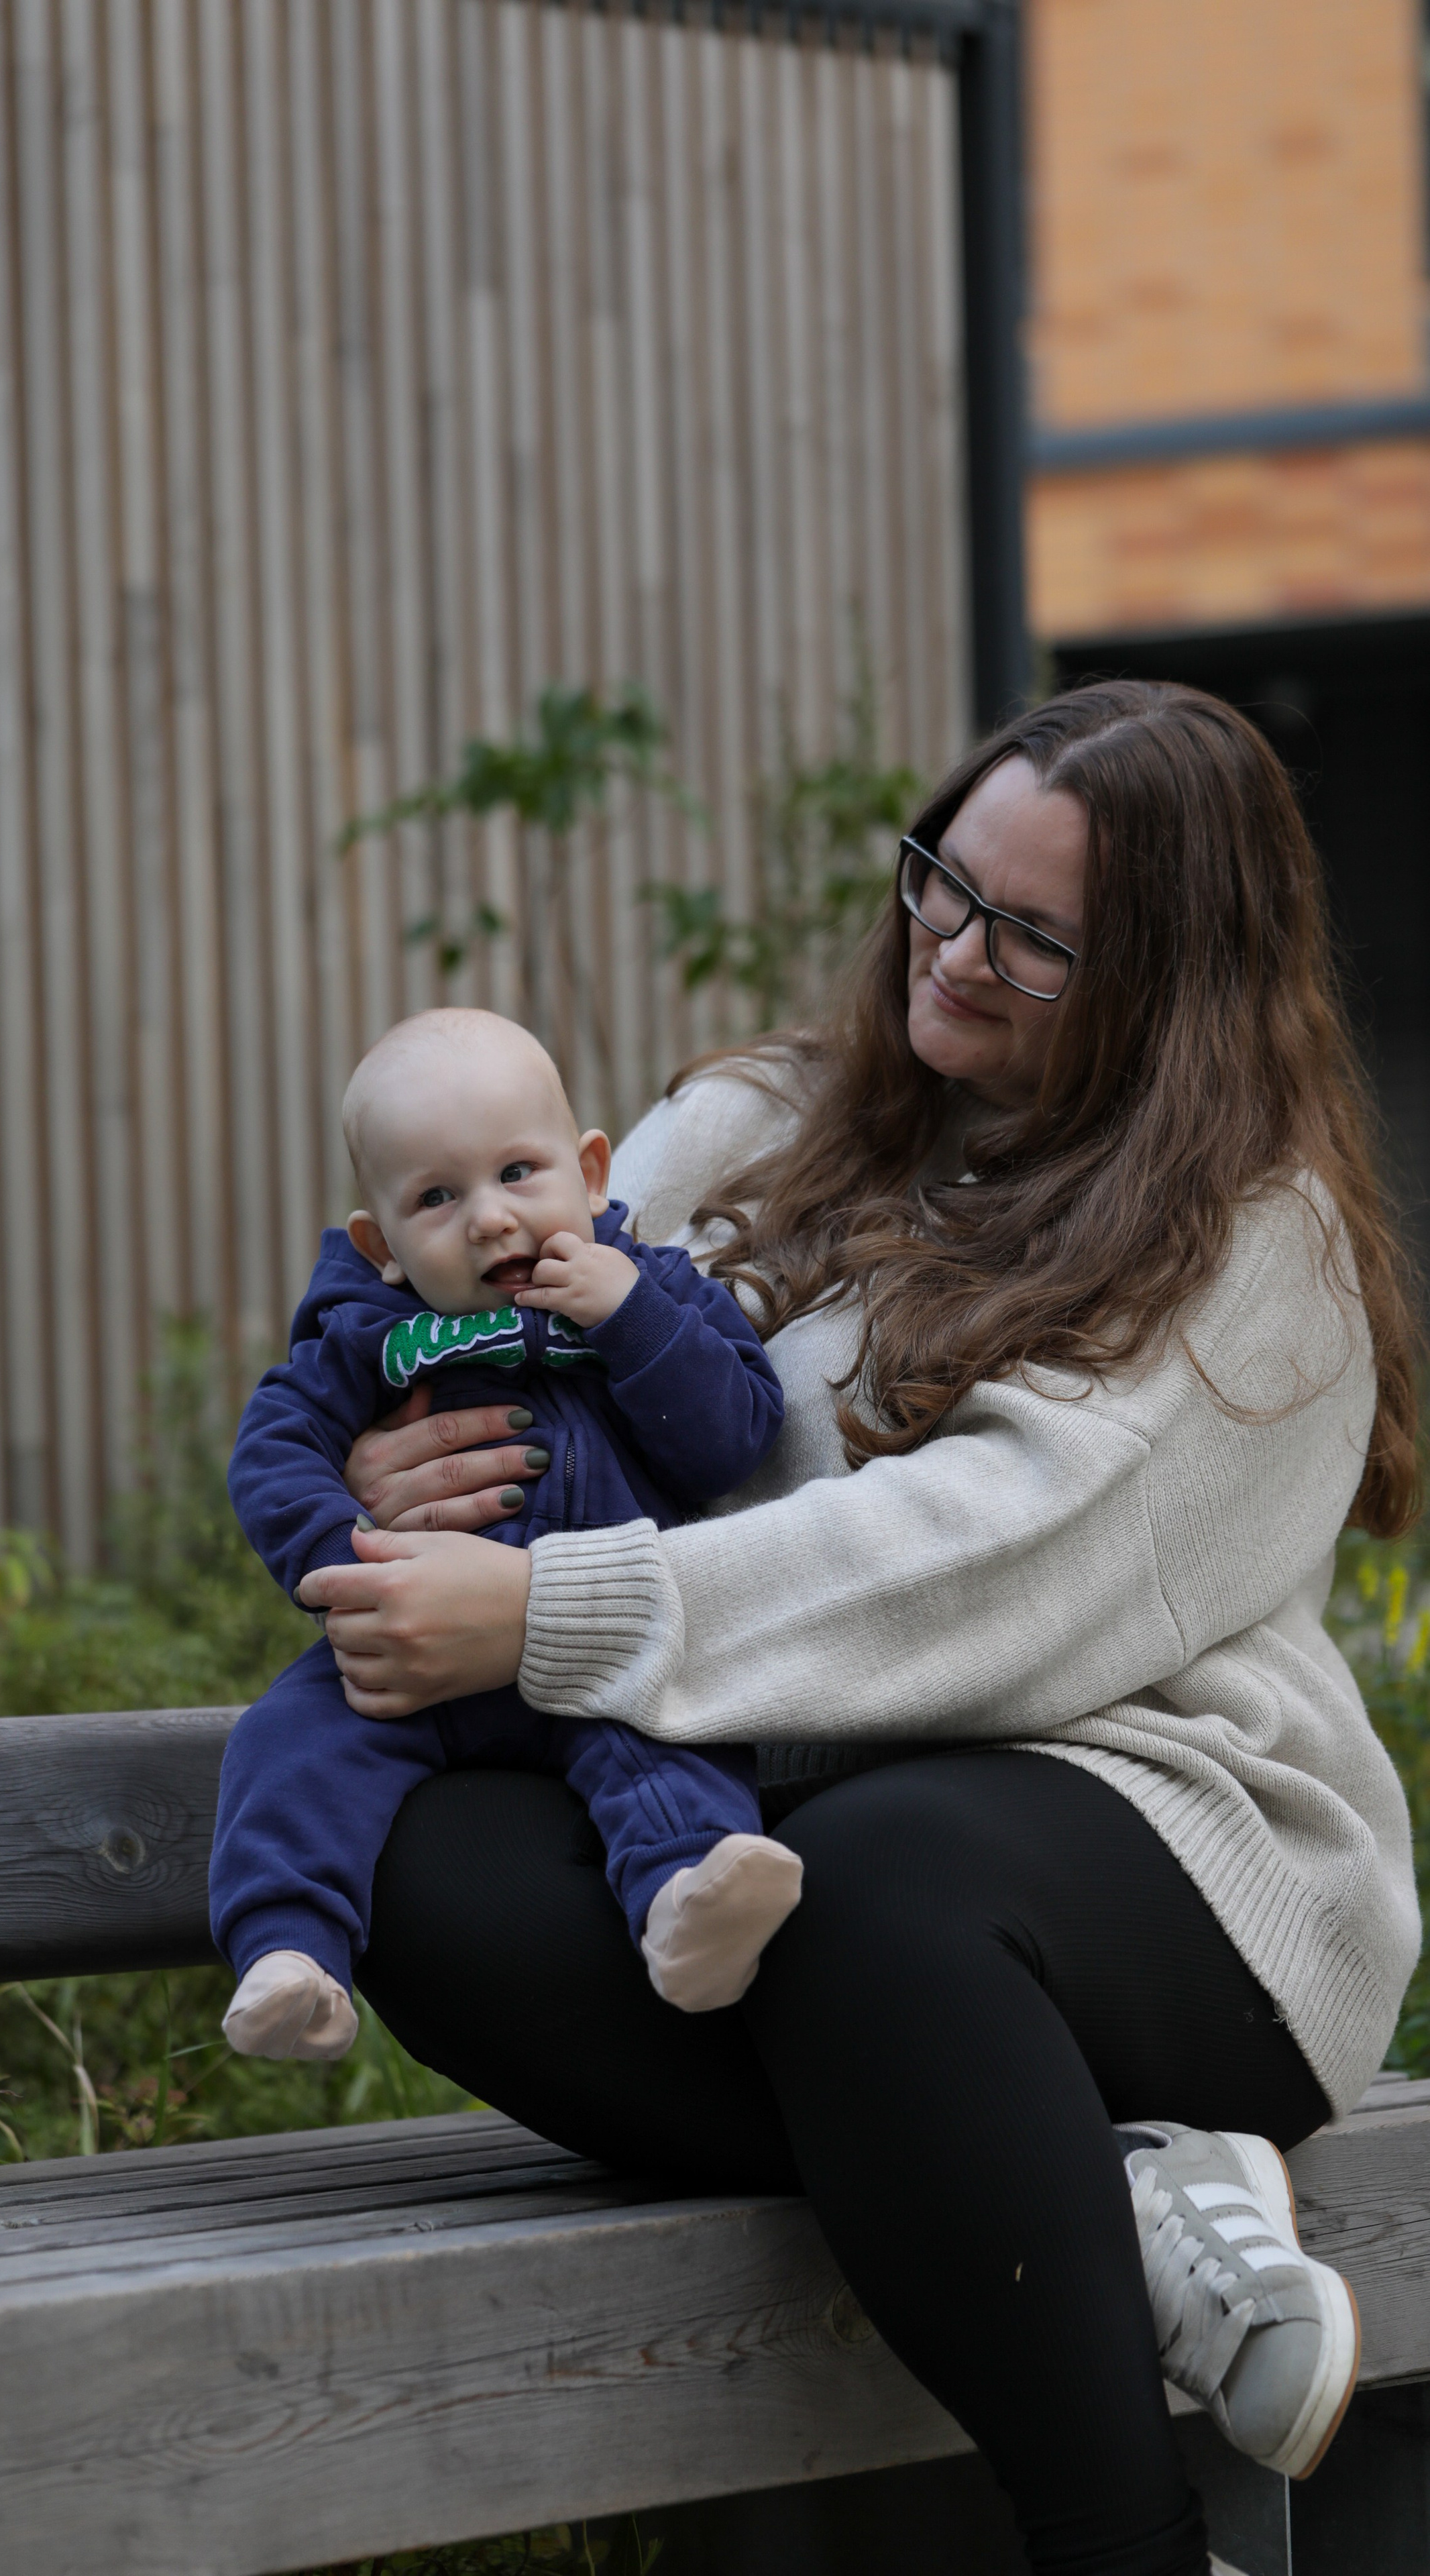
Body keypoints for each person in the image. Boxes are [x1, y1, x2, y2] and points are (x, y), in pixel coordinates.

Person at [296, 684, 1423, 2576]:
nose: (953, 953)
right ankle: (1101, 2185)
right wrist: (402, 1464)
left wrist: (553, 1607)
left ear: (1174, 981)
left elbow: (986, 1567)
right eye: (941, 885)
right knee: (421, 1860)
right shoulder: (757, 1122)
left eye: (1034, 937)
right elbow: (492, 1329)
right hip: (771, 1826)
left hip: (1167, 1854)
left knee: (869, 1887)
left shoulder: (1251, 1240)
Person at [211, 1010, 802, 2065]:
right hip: (417, 1661)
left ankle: (686, 1902)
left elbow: (736, 1440)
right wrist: (350, 1569)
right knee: (291, 1742)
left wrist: (631, 1318)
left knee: (673, 1742)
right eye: (437, 1199)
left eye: (518, 1173)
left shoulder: (657, 1292)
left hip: (600, 1649)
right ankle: (290, 1952)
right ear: (381, 1248)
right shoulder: (365, 1337)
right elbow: (273, 1449)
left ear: (590, 1173)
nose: (490, 1219)